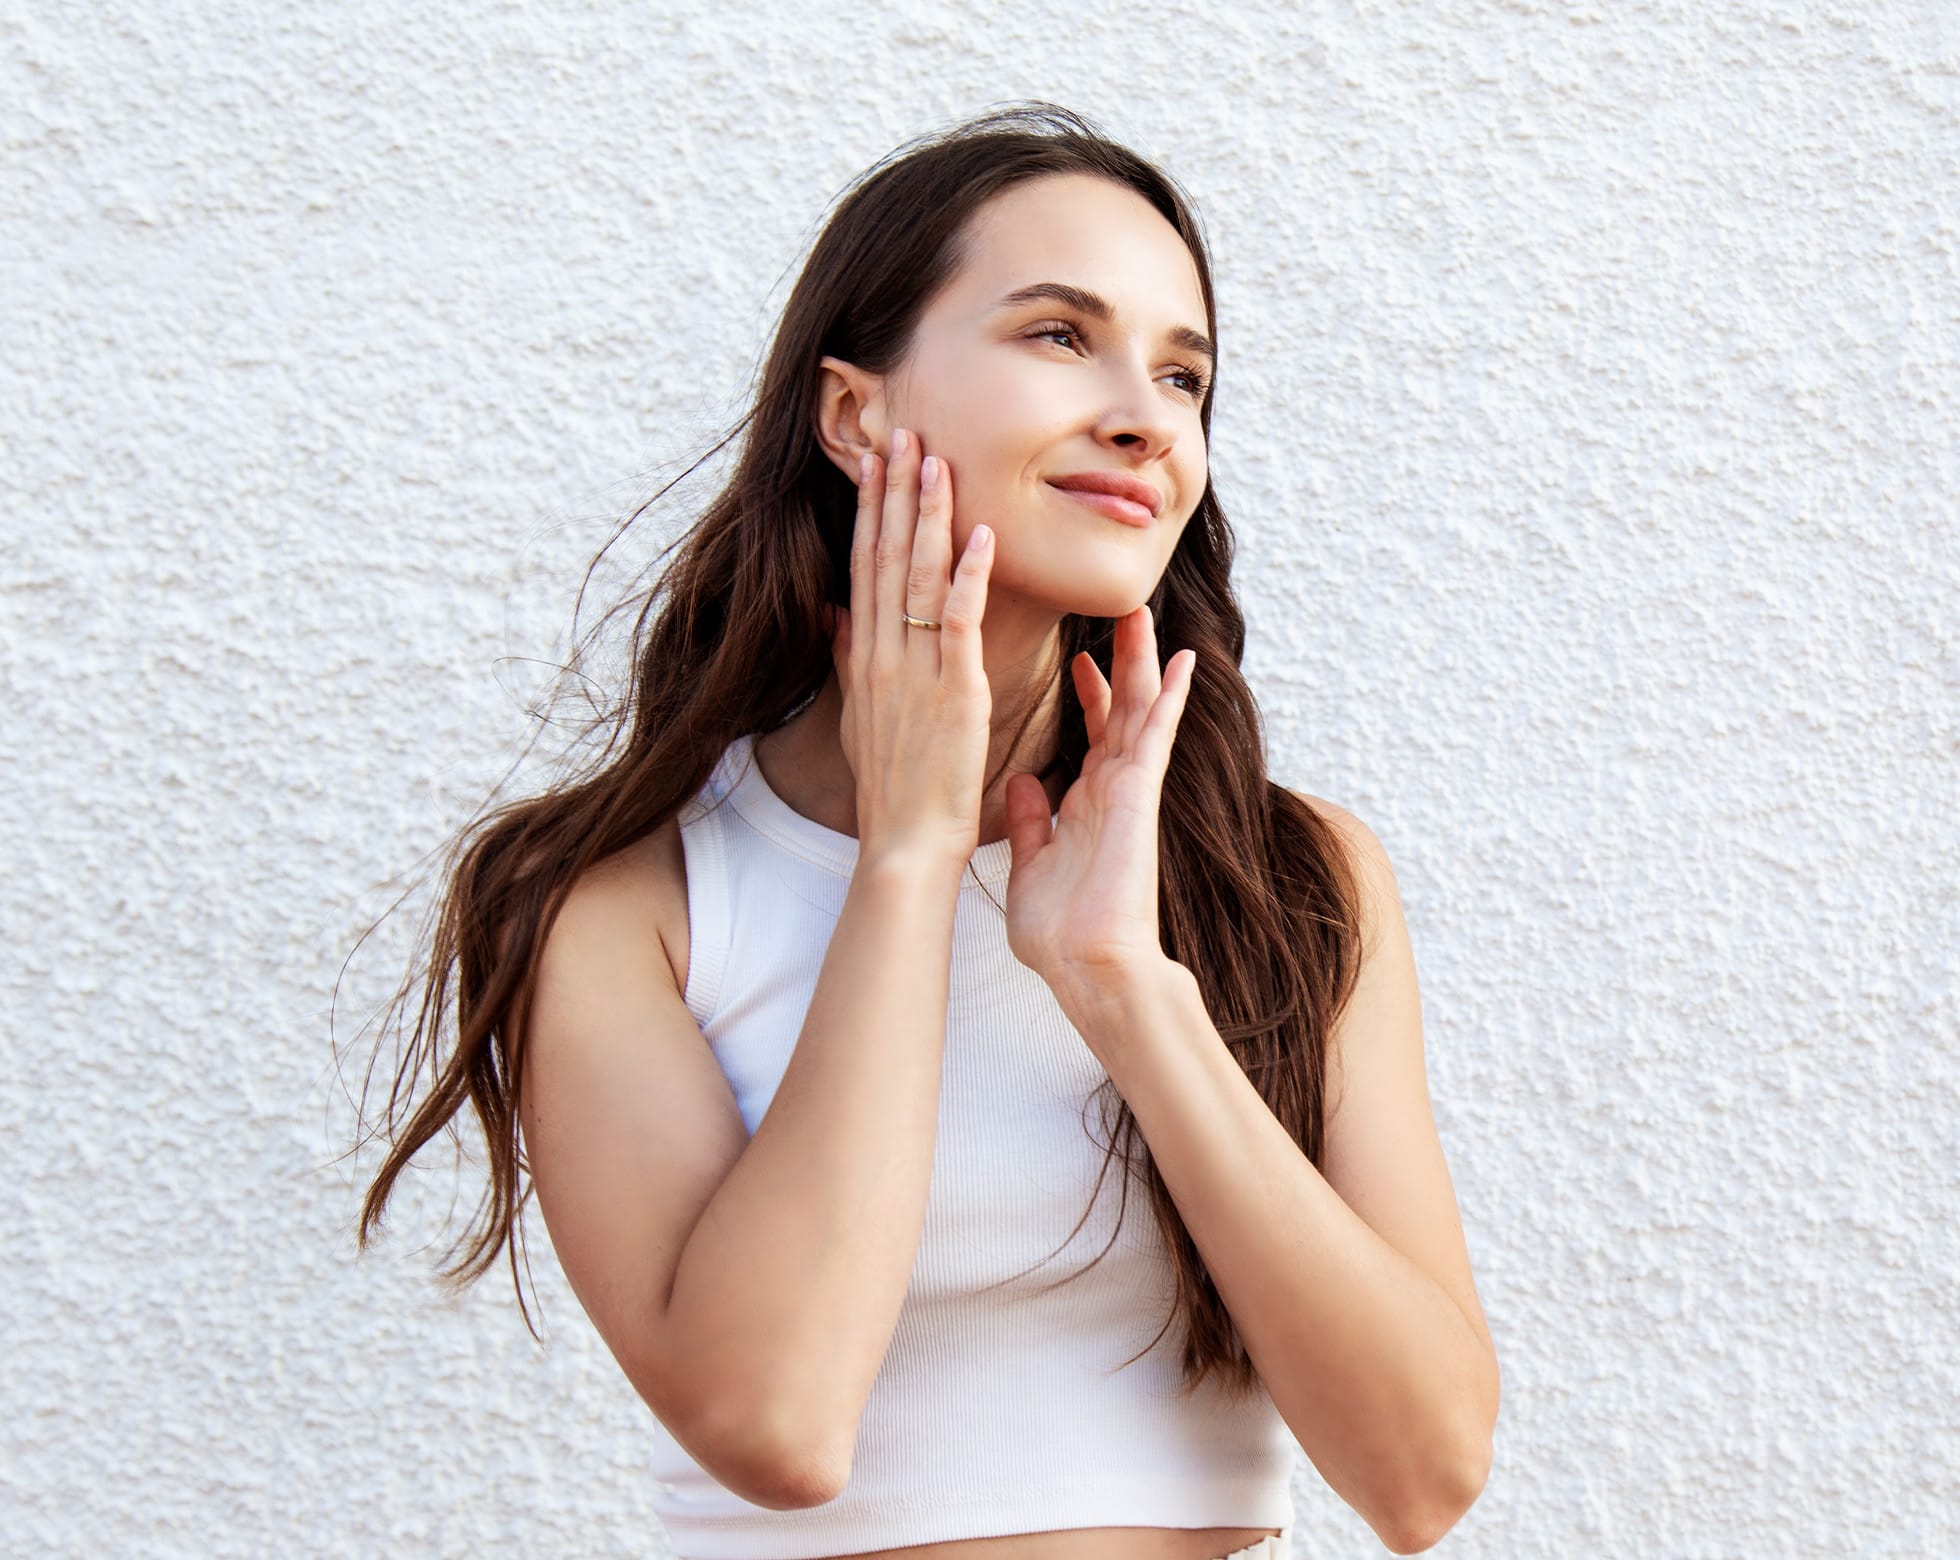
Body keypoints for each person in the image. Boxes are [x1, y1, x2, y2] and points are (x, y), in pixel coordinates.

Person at [352, 103, 1499, 1559]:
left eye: (1185, 373)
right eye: (1059, 337)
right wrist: (902, 861)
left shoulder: (1293, 879)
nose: (1147, 414)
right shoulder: (619, 905)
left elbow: (1423, 1473)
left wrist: (1124, 987)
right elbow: (775, 1420)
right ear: (857, 415)